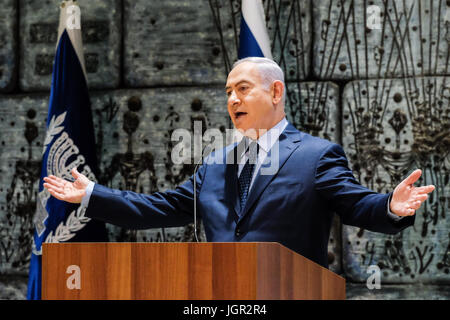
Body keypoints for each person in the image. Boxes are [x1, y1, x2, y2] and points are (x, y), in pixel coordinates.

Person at [43, 57, 435, 268]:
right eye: (228, 91)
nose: (232, 99)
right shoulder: (215, 164)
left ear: (276, 91)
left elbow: (356, 204)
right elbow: (157, 209)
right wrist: (93, 195)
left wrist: (390, 206)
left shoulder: (316, 156)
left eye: (243, 89)